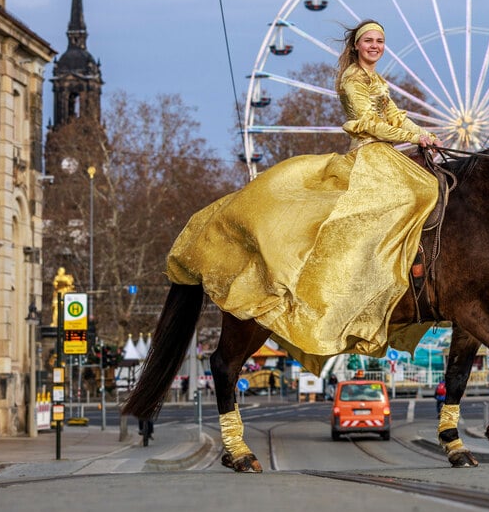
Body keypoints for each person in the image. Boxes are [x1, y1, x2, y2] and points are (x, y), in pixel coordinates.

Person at [165, 19, 442, 374]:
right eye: (368, 41)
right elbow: (369, 124)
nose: (375, 46)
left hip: (389, 155)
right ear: (357, 46)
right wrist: (413, 138)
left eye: (380, 41)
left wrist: (424, 135)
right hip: (369, 156)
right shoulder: (353, 80)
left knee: (429, 190)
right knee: (407, 198)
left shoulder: (378, 81)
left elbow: (396, 116)